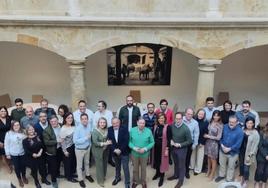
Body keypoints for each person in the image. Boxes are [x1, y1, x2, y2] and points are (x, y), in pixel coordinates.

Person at [215, 116, 244, 183]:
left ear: (237, 123)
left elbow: (238, 144)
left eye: (233, 122)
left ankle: (229, 179)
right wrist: (222, 145)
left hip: (233, 153)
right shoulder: (224, 127)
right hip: (222, 150)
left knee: (231, 167)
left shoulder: (240, 131)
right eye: (230, 122)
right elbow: (220, 137)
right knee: (222, 164)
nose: (231, 123)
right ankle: (221, 175)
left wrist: (229, 149)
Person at [167, 112, 192, 188]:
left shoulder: (186, 128)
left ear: (182, 119)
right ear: (175, 118)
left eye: (179, 119)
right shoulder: (172, 126)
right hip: (173, 148)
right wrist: (170, 140)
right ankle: (176, 175)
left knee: (181, 165)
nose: (178, 120)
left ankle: (181, 180)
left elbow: (189, 141)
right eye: (176, 119)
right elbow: (170, 135)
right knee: (176, 163)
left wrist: (180, 144)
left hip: (182, 149)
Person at [129, 118, 155, 188]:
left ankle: (143, 182)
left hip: (144, 154)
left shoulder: (148, 131)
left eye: (143, 123)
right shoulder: (132, 130)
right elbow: (129, 142)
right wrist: (134, 147)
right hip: (134, 153)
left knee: (143, 168)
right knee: (135, 168)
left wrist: (145, 148)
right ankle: (136, 181)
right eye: (140, 123)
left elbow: (152, 142)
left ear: (145, 124)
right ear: (137, 123)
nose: (141, 125)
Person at [73, 113, 94, 188]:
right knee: (79, 166)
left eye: (86, 119)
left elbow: (90, 137)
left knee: (87, 163)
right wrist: (85, 138)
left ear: (88, 119)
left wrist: (89, 145)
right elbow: (75, 141)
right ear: (81, 120)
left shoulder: (89, 126)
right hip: (79, 150)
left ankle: (87, 175)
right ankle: (80, 179)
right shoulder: (77, 128)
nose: (85, 120)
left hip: (87, 148)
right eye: (83, 119)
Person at [108, 118, 130, 188]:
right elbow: (109, 141)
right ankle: (117, 177)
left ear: (119, 122)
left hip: (124, 152)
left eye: (117, 123)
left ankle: (127, 183)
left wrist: (120, 150)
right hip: (115, 152)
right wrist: (114, 149)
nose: (115, 125)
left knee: (125, 168)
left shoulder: (125, 128)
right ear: (111, 123)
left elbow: (126, 140)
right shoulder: (109, 129)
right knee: (117, 167)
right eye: (113, 123)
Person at [4, 121, 28, 187]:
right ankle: (19, 179)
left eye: (18, 125)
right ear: (12, 126)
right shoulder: (8, 133)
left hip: (22, 153)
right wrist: (7, 154)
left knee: (23, 166)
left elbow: (27, 140)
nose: (16, 126)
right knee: (17, 167)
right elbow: (6, 144)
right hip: (13, 154)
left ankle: (23, 176)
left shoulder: (23, 132)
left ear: (20, 126)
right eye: (14, 125)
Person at [238, 117, 259, 188]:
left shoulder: (255, 133)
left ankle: (246, 180)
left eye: (251, 123)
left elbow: (255, 146)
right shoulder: (242, 130)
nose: (249, 125)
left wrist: (250, 155)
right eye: (247, 123)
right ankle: (242, 178)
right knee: (241, 166)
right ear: (245, 123)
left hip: (249, 153)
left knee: (246, 168)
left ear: (253, 124)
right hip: (241, 151)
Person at [151, 113, 170, 187]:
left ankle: (162, 176)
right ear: (157, 119)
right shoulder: (155, 126)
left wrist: (167, 149)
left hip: (163, 147)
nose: (160, 119)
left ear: (164, 119)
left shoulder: (167, 127)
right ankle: (157, 173)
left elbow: (169, 139)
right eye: (159, 118)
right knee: (157, 160)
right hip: (155, 147)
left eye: (162, 118)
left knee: (163, 162)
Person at [91, 117, 112, 187]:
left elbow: (109, 138)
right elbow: (95, 142)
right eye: (101, 122)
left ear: (106, 123)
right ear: (98, 123)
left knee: (105, 164)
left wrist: (108, 143)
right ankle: (100, 181)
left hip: (106, 150)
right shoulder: (95, 131)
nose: (102, 124)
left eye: (104, 122)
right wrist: (105, 143)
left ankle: (103, 176)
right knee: (99, 165)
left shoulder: (107, 130)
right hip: (97, 151)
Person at [204, 110, 223, 181]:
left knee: (213, 159)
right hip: (208, 142)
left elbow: (219, 137)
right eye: (214, 115)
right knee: (208, 158)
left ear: (220, 116)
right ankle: (208, 170)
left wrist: (208, 136)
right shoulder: (210, 121)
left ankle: (212, 173)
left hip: (214, 144)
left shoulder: (220, 125)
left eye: (217, 115)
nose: (216, 117)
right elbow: (208, 130)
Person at [43, 115, 61, 188]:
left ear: (57, 121)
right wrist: (57, 141)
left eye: (55, 121)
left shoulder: (61, 126)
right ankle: (54, 180)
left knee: (58, 163)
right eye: (52, 121)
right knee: (53, 166)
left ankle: (57, 174)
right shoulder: (46, 130)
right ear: (49, 122)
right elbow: (46, 142)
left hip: (59, 149)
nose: (54, 123)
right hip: (51, 151)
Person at [60, 112, 77, 183]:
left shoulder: (73, 126)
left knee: (73, 162)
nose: (70, 119)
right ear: (65, 119)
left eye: (71, 118)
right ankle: (69, 177)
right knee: (68, 163)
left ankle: (72, 174)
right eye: (68, 118)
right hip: (67, 148)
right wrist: (65, 151)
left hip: (73, 146)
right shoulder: (63, 128)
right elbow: (62, 141)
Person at [183, 108, 200, 179]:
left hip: (189, 143)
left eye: (191, 114)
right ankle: (179, 171)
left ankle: (186, 171)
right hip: (180, 143)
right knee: (180, 158)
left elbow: (196, 134)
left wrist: (194, 144)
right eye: (188, 114)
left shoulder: (195, 123)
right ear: (185, 113)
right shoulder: (180, 120)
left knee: (187, 158)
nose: (189, 115)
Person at [191, 109, 209, 175]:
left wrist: (202, 142)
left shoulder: (206, 122)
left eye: (202, 114)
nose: (200, 115)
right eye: (199, 114)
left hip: (201, 142)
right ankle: (192, 166)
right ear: (197, 113)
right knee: (192, 155)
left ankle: (198, 169)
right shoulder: (193, 121)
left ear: (204, 115)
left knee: (200, 157)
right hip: (193, 141)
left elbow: (206, 134)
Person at [254, 122, 268, 188]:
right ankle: (257, 181)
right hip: (261, 155)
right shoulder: (262, 133)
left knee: (266, 171)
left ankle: (264, 182)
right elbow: (260, 146)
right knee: (259, 171)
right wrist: (266, 155)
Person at [0, 106, 13, 173]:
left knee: (9, 153)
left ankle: (10, 163)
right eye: (1, 111)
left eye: (4, 111)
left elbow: (12, 127)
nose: (3, 112)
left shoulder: (9, 118)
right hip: (1, 140)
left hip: (9, 139)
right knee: (3, 155)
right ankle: (7, 167)